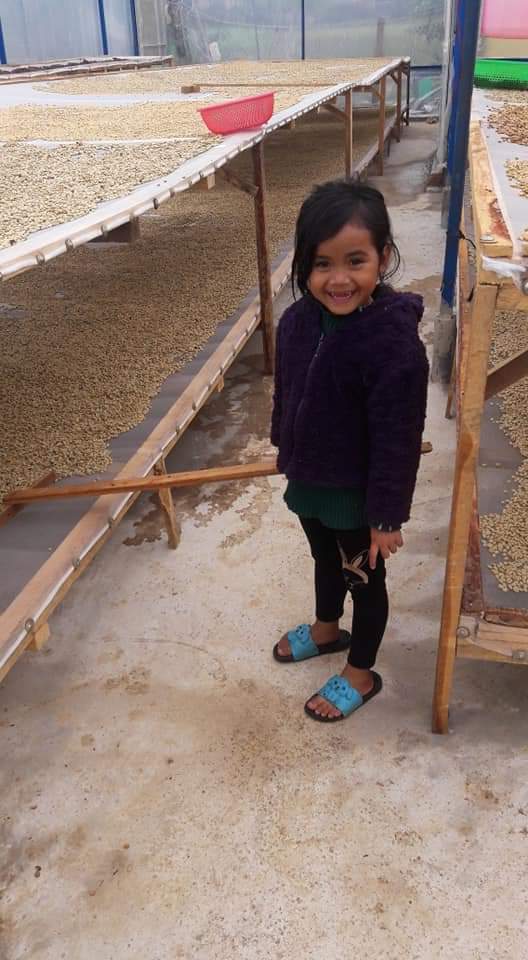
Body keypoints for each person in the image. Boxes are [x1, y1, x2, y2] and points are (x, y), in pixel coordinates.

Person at [270, 179, 429, 723]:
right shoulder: (296, 322)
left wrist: (386, 516)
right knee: (323, 559)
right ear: (304, 265)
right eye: (322, 264)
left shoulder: (393, 345)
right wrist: (284, 446)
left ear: (383, 256)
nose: (338, 280)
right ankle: (325, 629)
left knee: (363, 580)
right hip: (309, 481)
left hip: (358, 500)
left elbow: (397, 439)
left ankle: (360, 673)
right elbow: (287, 390)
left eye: (355, 261)